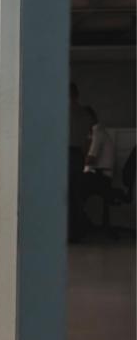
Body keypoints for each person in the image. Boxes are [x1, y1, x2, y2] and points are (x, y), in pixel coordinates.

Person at [68, 83, 97, 241]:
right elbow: (89, 139)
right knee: (76, 195)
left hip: (65, 154)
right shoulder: (86, 113)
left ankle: (68, 233)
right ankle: (77, 233)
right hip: (78, 154)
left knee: (65, 195)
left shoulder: (62, 112)